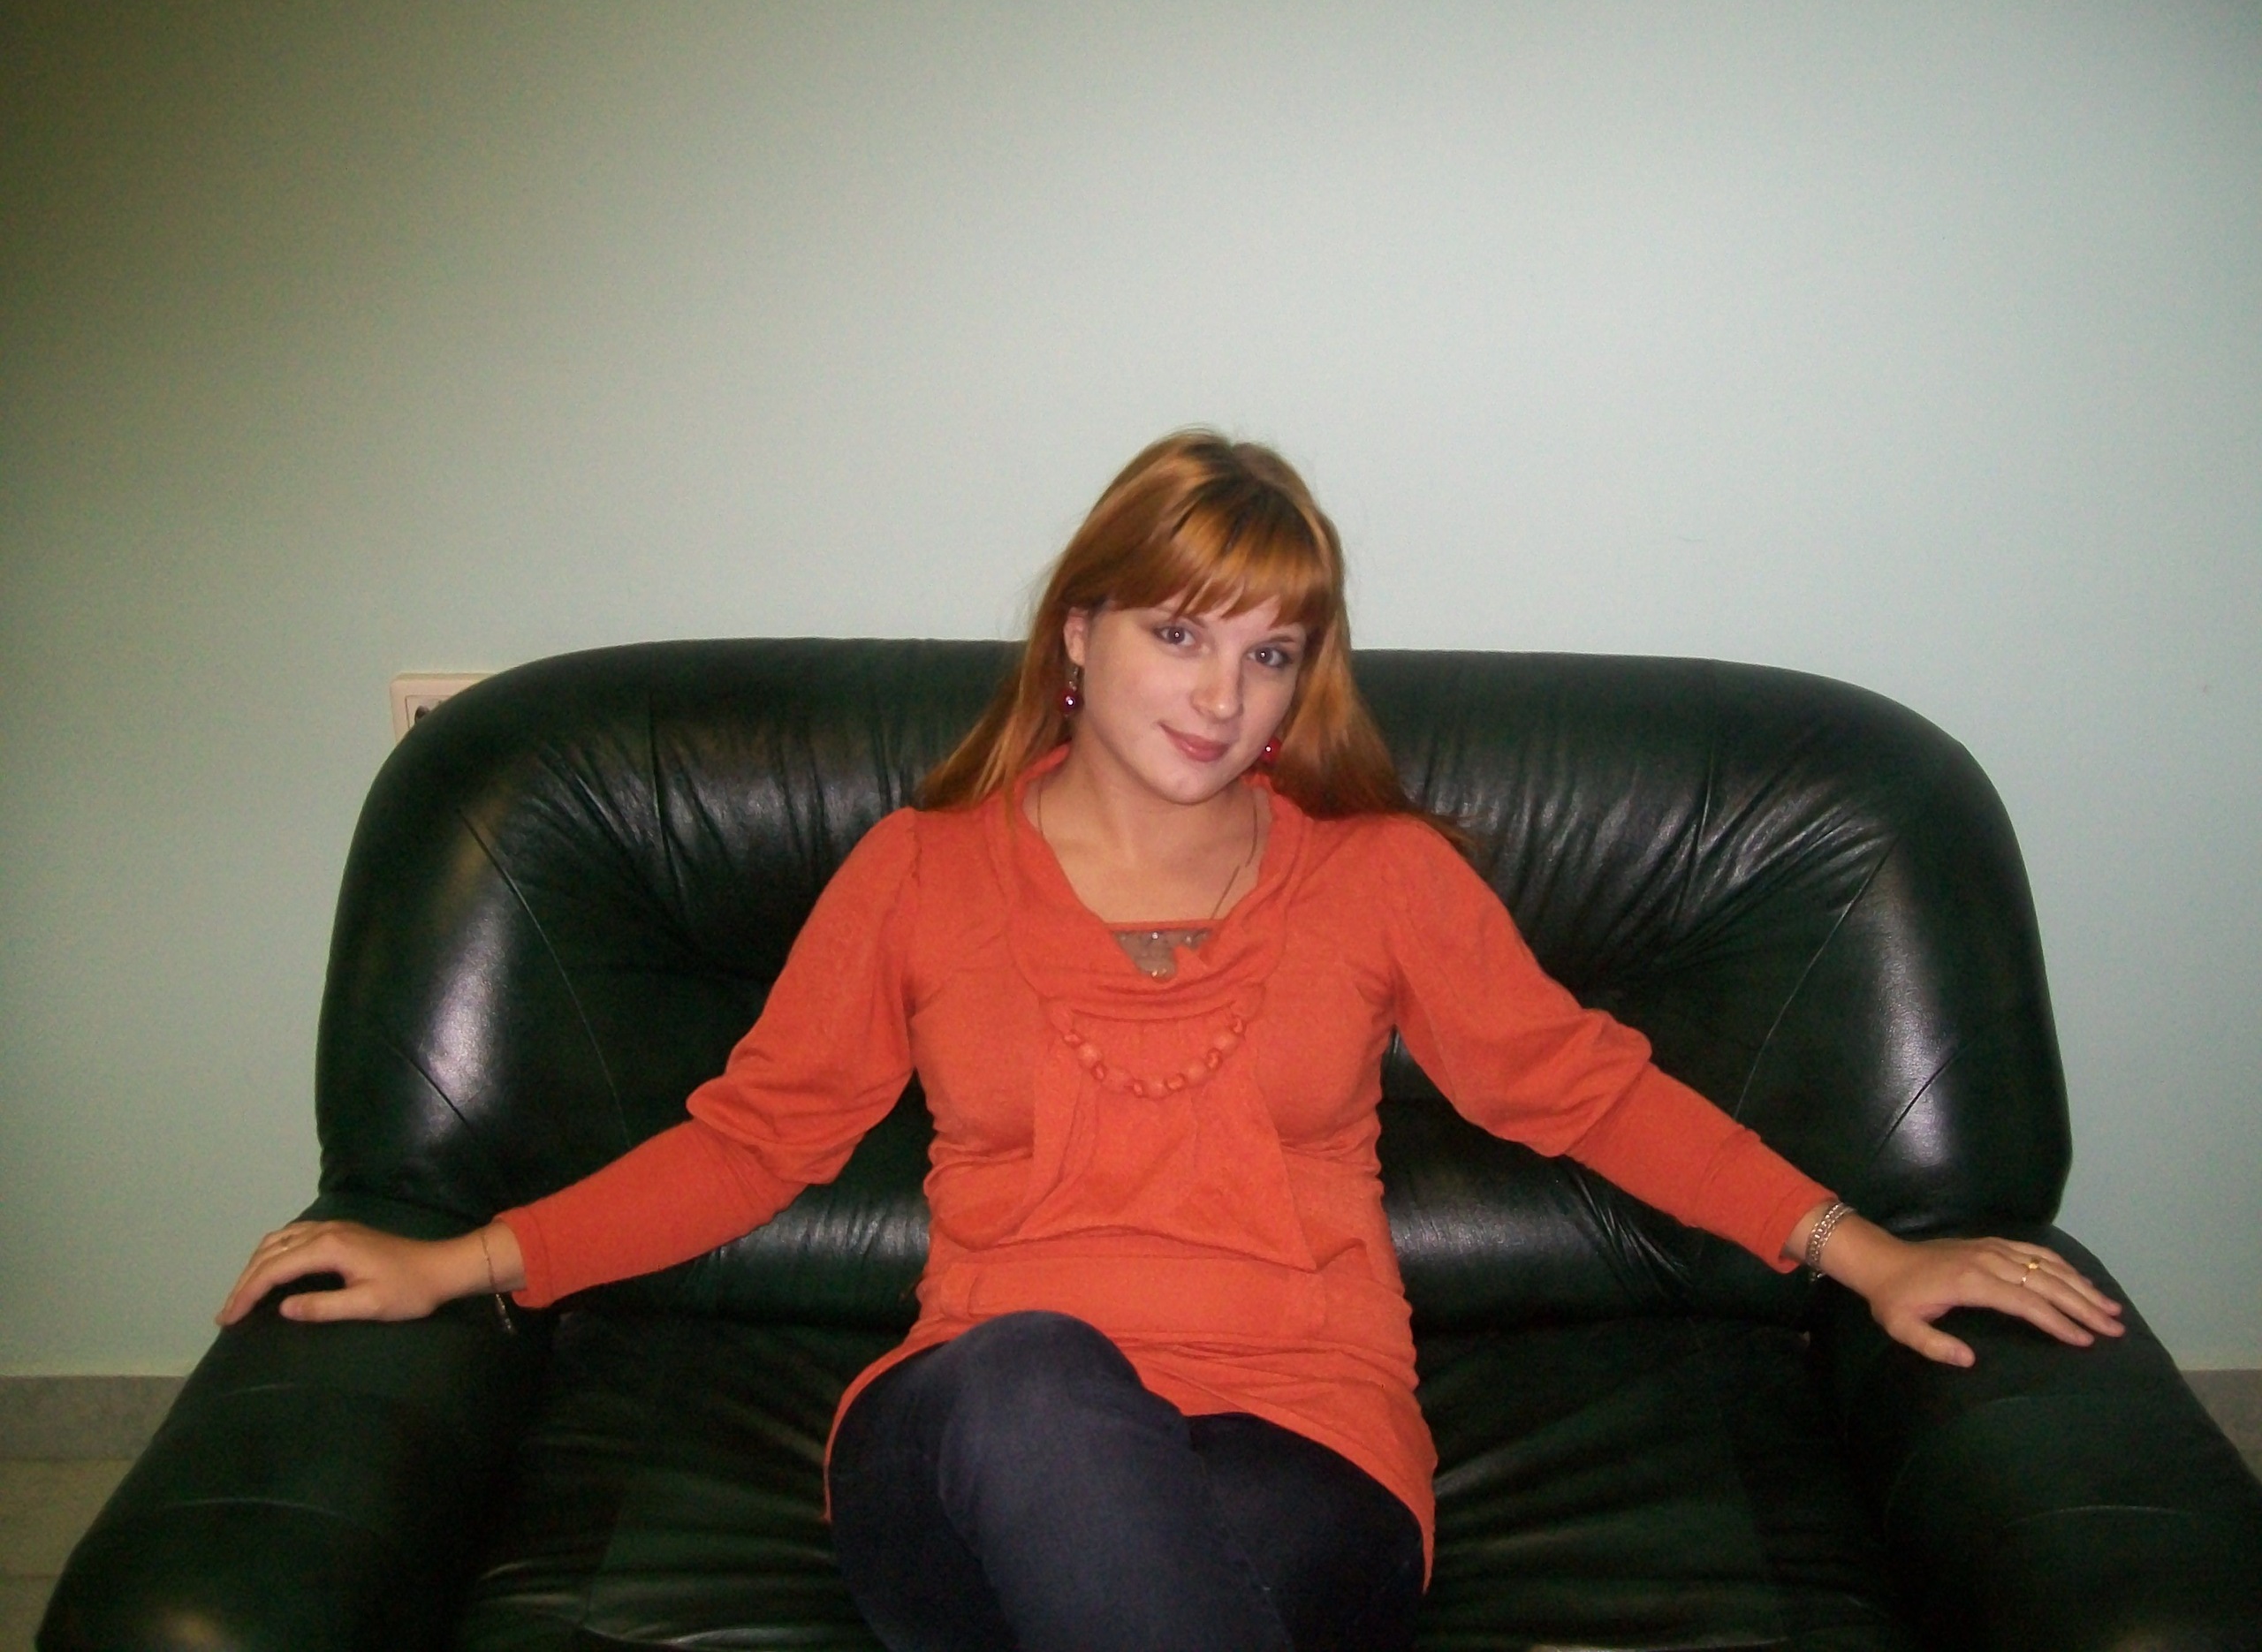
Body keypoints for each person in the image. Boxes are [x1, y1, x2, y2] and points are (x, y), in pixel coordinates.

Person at [220, 430, 2123, 1652]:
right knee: (1039, 1385)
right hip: (965, 1435)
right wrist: (466, 1259)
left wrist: (1864, 1249)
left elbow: (1584, 1088)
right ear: (1077, 634)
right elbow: (756, 1138)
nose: (1226, 696)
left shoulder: (1380, 880)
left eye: (1271, 651)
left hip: (1309, 1452)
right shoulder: (919, 873)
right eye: (1179, 634)